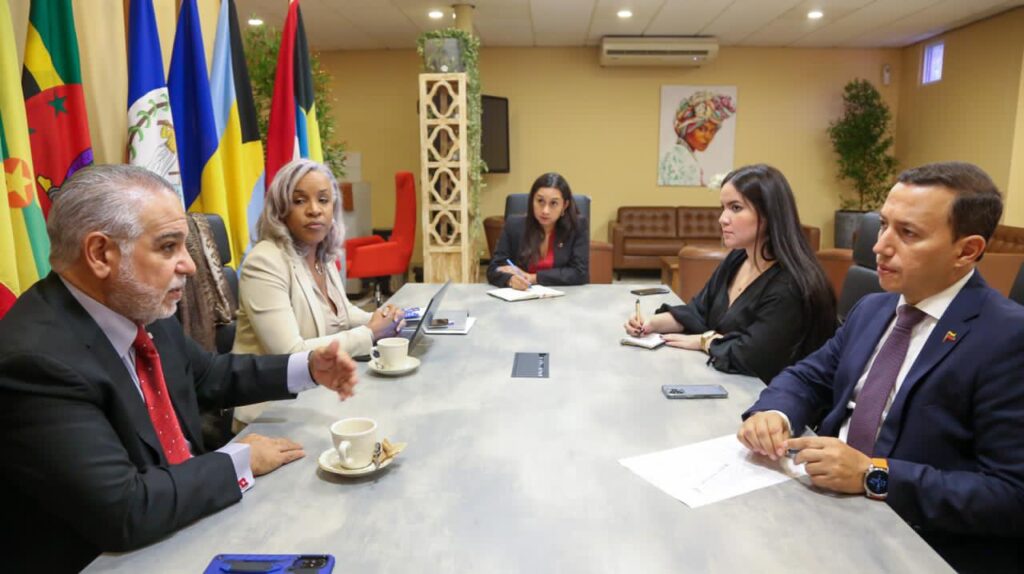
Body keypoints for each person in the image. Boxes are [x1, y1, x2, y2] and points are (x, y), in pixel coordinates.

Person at [0, 165, 359, 573]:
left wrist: (309, 367)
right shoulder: (34, 362)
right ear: (100, 254)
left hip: (189, 523)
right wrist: (239, 460)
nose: (189, 265)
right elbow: (125, 508)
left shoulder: (139, 306)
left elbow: (206, 376)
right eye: (169, 247)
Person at [737, 162, 1024, 574]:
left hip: (913, 540)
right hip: (822, 507)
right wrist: (775, 413)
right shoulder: (874, 307)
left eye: (907, 233)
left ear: (967, 250)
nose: (880, 246)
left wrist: (873, 475)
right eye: (884, 224)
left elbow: (1011, 494)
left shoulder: (1007, 337)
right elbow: (809, 376)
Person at [625, 164, 836, 383]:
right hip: (729, 385)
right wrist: (652, 323)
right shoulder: (738, 258)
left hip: (772, 405)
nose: (722, 218)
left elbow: (753, 357)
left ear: (768, 215)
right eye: (723, 208)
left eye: (735, 208)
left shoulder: (790, 286)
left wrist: (704, 341)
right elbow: (699, 311)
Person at [232, 159, 404, 427]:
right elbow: (291, 353)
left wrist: (383, 318)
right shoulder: (264, 262)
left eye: (323, 200)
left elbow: (343, 313)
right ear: (280, 210)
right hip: (271, 413)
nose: (314, 210)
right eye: (300, 201)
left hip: (316, 397)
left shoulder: (320, 256)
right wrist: (370, 333)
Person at [487, 172, 589, 290]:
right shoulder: (514, 225)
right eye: (540, 201)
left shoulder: (577, 227)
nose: (545, 210)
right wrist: (510, 280)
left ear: (564, 205)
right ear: (532, 201)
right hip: (522, 297)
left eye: (553, 203)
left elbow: (580, 273)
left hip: (564, 298)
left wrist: (534, 278)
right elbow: (494, 268)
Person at [658, 90, 736, 186]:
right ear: (687, 129)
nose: (708, 137)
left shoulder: (680, 155)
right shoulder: (680, 160)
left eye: (712, 131)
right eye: (702, 129)